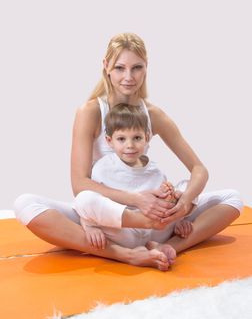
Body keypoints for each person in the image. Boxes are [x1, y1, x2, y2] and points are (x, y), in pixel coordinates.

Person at [14, 32, 243, 272]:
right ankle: (126, 255)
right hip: (107, 217)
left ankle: (170, 246)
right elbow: (79, 184)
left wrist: (183, 205)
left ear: (146, 68)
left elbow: (199, 169)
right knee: (26, 204)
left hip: (156, 221)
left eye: (136, 68)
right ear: (106, 67)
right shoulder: (90, 112)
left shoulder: (153, 114)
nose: (128, 77)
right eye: (120, 68)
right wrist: (136, 200)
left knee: (232, 198)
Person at [73, 103, 194, 257]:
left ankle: (155, 245)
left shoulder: (156, 172)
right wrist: (89, 227)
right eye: (121, 139)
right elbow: (93, 207)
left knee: (187, 186)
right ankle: (141, 249)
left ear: (147, 137)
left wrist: (177, 220)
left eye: (137, 138)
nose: (129, 145)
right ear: (110, 141)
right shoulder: (102, 168)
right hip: (123, 233)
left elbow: (161, 207)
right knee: (85, 198)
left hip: (156, 232)